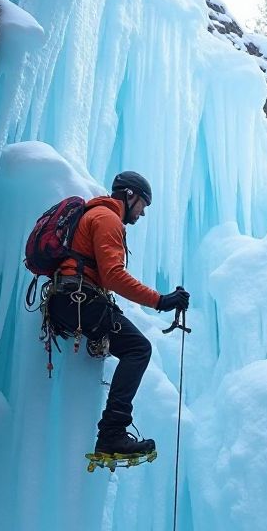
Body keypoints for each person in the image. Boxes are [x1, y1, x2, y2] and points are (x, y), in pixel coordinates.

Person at [47, 171, 190, 457]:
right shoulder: (107, 218)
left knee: (127, 341)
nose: (143, 213)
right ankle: (112, 433)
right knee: (138, 348)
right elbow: (113, 276)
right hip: (80, 300)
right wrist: (161, 301)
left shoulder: (94, 215)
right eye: (143, 205)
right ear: (129, 195)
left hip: (69, 300)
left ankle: (112, 431)